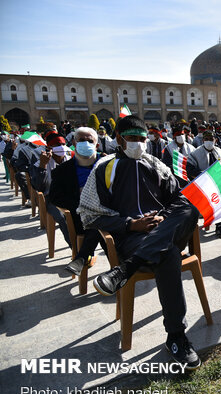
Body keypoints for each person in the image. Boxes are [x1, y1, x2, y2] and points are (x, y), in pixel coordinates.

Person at [78, 115, 202, 369]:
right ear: (119, 139)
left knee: (191, 207)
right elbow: (89, 214)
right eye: (132, 138)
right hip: (131, 238)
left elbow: (178, 201)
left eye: (142, 139)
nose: (138, 144)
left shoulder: (156, 164)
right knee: (167, 255)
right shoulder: (105, 167)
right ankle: (176, 336)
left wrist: (162, 217)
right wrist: (129, 224)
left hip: (162, 230)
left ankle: (126, 270)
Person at [49, 127, 107, 277]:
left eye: (90, 141)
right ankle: (118, 269)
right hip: (80, 217)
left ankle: (81, 258)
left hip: (109, 213)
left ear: (97, 145)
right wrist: (81, 203)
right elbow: (55, 197)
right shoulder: (63, 170)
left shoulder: (108, 164)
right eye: (81, 140)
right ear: (74, 143)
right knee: (99, 223)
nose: (85, 143)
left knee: (102, 221)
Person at [186, 129, 221, 238]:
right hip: (202, 183)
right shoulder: (195, 153)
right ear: (203, 140)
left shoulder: (219, 151)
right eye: (206, 139)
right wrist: (203, 175)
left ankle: (220, 226)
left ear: (215, 140)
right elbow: (190, 169)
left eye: (211, 139)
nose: (209, 141)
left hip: (218, 183)